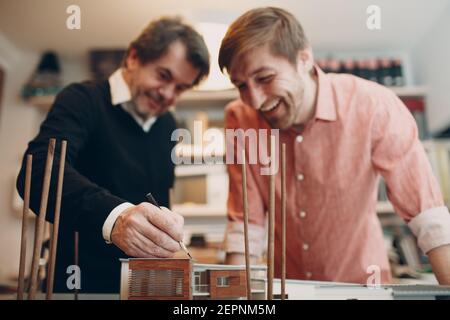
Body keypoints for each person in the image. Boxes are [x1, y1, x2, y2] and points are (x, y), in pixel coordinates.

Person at [218, 7, 450, 285]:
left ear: (304, 58)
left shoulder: (374, 105)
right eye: (241, 85)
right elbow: (246, 222)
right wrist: (231, 300)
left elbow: (427, 214)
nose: (254, 100)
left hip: (364, 285)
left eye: (265, 78)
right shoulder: (240, 117)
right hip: (287, 288)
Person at [16, 17, 210, 293]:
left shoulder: (168, 125)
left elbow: (158, 202)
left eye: (180, 88)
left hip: (142, 288)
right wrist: (116, 217)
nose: (168, 94)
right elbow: (38, 174)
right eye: (163, 76)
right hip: (78, 287)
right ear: (133, 58)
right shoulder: (82, 99)